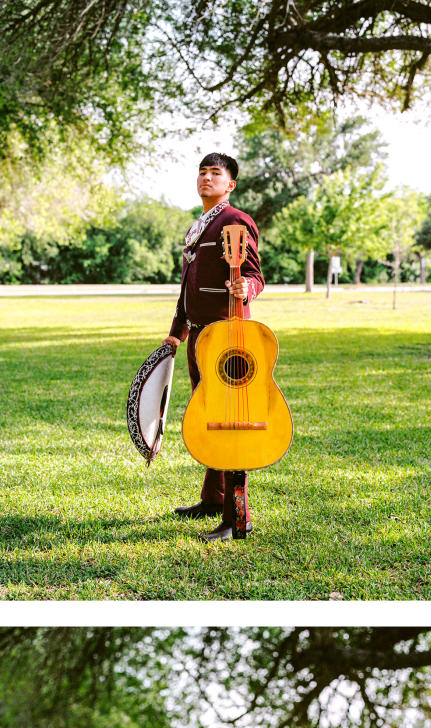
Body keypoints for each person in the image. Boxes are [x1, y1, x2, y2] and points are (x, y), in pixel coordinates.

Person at [164, 154, 266, 542]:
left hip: (227, 342)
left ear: (230, 185)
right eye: (202, 172)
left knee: (228, 423)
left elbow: (254, 274)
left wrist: (248, 288)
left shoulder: (235, 221)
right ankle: (212, 499)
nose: (207, 178)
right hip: (200, 338)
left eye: (216, 174)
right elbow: (187, 284)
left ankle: (235, 517)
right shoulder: (200, 224)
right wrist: (177, 331)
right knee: (207, 417)